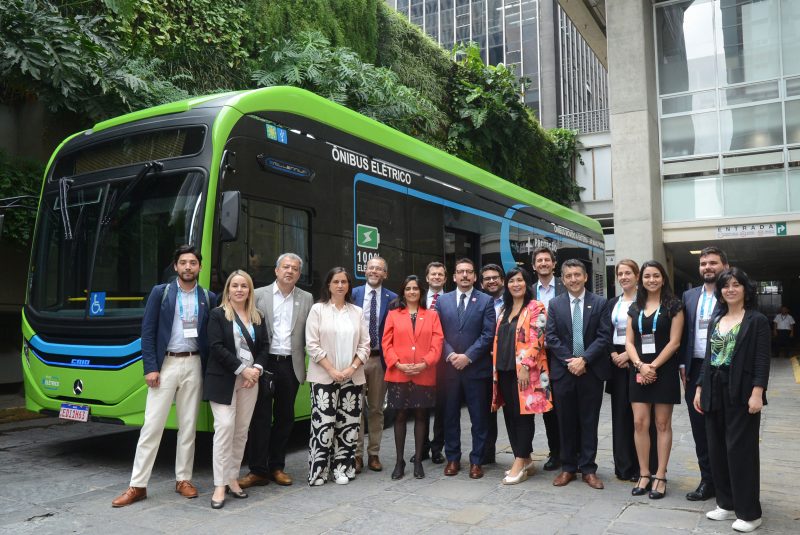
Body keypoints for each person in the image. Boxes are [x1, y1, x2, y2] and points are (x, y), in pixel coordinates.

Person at [112, 245, 215, 507]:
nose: (188, 267)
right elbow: (147, 332)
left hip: (194, 364)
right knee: (152, 426)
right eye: (183, 263)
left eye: (193, 263)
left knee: (188, 426)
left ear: (200, 267)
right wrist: (150, 368)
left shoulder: (208, 297)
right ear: (175, 267)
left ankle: (183, 479)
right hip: (166, 364)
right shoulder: (162, 293)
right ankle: (137, 485)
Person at [694, 268, 770, 533]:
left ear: (745, 290)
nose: (730, 289)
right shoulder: (718, 317)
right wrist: (700, 387)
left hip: (741, 390)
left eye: (736, 285)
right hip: (714, 388)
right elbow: (707, 357)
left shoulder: (756, 320)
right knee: (716, 448)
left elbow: (762, 359)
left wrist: (758, 392)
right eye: (726, 286)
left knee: (741, 451)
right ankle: (726, 504)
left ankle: (749, 512)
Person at [239, 253, 313, 489]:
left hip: (291, 364)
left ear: (299, 274)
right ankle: (257, 470)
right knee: (259, 417)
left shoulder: (307, 298)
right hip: (264, 362)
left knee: (285, 417)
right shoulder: (259, 295)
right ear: (276, 270)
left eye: (294, 268)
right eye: (285, 267)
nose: (289, 271)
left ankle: (277, 467)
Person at [545, 259, 611, 490]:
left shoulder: (600, 303)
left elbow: (604, 336)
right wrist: (570, 361)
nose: (573, 279)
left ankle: (589, 469)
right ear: (562, 280)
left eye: (577, 275)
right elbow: (551, 337)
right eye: (568, 275)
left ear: (585, 277)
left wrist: (584, 360)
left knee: (589, 421)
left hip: (590, 371)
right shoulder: (555, 304)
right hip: (564, 373)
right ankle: (568, 468)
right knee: (565, 421)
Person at [205, 270, 267, 509]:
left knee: (241, 431)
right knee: (225, 428)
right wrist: (243, 369)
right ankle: (219, 485)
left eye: (244, 286)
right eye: (235, 285)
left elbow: (264, 347)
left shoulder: (258, 316)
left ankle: (232, 478)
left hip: (251, 381)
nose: (239, 289)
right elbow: (216, 347)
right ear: (228, 289)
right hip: (224, 380)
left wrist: (257, 370)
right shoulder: (217, 315)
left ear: (249, 290)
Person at [305, 267, 371, 486]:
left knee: (349, 426)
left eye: (344, 282)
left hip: (353, 377)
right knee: (323, 424)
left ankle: (343, 469)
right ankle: (319, 472)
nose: (340, 285)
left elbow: (365, 345)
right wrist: (332, 370)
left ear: (349, 286)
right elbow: (312, 345)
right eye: (336, 281)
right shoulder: (318, 310)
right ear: (328, 285)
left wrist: (351, 368)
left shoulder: (357, 312)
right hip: (324, 376)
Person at [625, 260, 684, 500]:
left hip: (663, 371)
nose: (651, 280)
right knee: (640, 423)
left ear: (663, 278)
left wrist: (653, 367)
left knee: (662, 425)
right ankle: (644, 473)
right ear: (642, 280)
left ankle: (660, 475)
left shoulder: (674, 305)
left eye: (656, 276)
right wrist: (640, 365)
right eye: (647, 276)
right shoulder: (635, 307)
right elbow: (629, 341)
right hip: (638, 369)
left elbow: (675, 342)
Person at [491, 267, 551, 485]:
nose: (515, 284)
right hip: (504, 370)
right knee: (510, 415)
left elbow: (538, 338)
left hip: (526, 372)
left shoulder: (536, 307)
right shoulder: (504, 309)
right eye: (511, 281)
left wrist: (525, 365)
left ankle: (519, 460)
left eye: (520, 280)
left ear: (527, 283)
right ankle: (524, 459)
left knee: (524, 415)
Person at [437, 258, 496, 479]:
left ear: (474, 277)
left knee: (478, 418)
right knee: (450, 415)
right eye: (460, 272)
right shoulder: (442, 302)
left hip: (476, 370)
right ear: (454, 276)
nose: (464, 276)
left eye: (468, 272)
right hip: (449, 370)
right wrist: (451, 355)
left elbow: (488, 334)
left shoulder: (486, 301)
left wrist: (468, 357)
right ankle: (452, 458)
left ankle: (477, 461)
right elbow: (437, 333)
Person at [382, 275, 443, 480]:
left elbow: (438, 343)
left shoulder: (432, 315)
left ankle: (418, 460)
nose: (411, 292)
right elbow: (386, 343)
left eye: (415, 288)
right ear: (403, 292)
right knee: (399, 416)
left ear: (421, 292)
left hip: (423, 373)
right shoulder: (393, 314)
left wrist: (425, 363)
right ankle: (399, 461)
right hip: (399, 373)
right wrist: (397, 363)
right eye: (408, 288)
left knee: (421, 416)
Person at [679, 246, 728, 502]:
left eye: (713, 263)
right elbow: (683, 334)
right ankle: (707, 480)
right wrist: (682, 366)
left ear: (725, 266)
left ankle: (726, 483)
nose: (707, 267)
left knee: (722, 428)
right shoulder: (689, 296)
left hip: (722, 369)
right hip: (694, 367)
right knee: (699, 428)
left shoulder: (731, 294)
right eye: (704, 263)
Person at [605, 259, 658, 482]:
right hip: (616, 361)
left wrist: (630, 354)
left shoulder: (647, 302)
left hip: (640, 358)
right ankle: (623, 466)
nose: (624, 277)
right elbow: (604, 331)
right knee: (620, 414)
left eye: (628, 273)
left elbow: (651, 333)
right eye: (620, 273)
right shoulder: (611, 304)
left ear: (637, 277)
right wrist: (613, 354)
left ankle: (645, 467)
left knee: (643, 416)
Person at [351, 256, 397, 473]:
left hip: (380, 360)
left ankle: (374, 454)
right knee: (356, 409)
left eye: (379, 269)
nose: (374, 271)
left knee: (377, 410)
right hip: (356, 360)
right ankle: (356, 455)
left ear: (385, 274)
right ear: (365, 270)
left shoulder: (393, 299)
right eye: (371, 268)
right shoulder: (353, 294)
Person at [531, 246, 564, 471]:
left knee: (566, 405)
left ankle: (574, 452)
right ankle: (556, 453)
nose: (543, 263)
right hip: (537, 356)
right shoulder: (528, 290)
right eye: (539, 260)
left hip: (561, 353)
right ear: (533, 266)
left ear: (554, 264)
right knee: (548, 407)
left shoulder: (565, 286)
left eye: (547, 260)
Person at [414, 261, 448, 465]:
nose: (436, 277)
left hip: (444, 363)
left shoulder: (452, 299)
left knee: (442, 409)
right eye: (433, 274)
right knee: (421, 407)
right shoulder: (417, 299)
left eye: (440, 274)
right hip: (421, 363)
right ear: (426, 278)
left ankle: (437, 448)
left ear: (445, 278)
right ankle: (422, 447)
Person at [479, 263, 505, 465]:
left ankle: (523, 455)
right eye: (487, 278)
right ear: (481, 283)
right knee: (488, 410)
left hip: (508, 363)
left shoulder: (513, 302)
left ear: (502, 281)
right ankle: (487, 453)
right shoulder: (478, 303)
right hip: (484, 363)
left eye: (495, 277)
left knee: (515, 411)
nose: (492, 281)